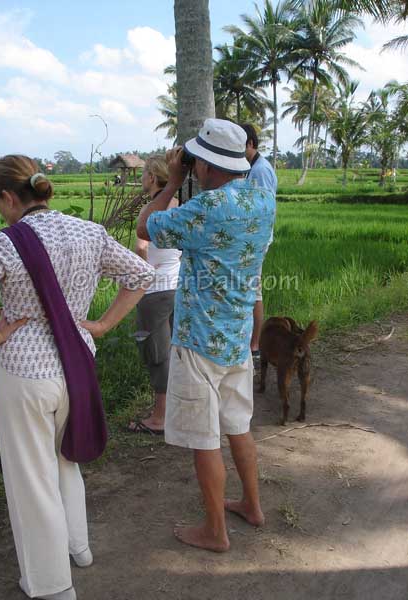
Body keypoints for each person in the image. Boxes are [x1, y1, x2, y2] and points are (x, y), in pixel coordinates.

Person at [0, 155, 154, 600]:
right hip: (76, 367)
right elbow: (142, 273)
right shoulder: (88, 232)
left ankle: (50, 585)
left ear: (8, 197)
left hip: (25, 373)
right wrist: (101, 325)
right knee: (67, 460)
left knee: (32, 477)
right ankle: (77, 546)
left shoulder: (4, 243)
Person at [137, 118, 276, 552]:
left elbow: (146, 226)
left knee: (203, 438)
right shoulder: (262, 199)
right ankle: (252, 506)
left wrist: (172, 178)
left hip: (198, 340)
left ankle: (215, 531)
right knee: (239, 427)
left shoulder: (205, 209)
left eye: (196, 161)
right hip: (236, 337)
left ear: (207, 165)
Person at [129, 156, 181, 434]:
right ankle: (172, 410)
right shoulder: (177, 205)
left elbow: (140, 246)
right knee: (172, 349)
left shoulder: (152, 208)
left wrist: (145, 269)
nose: (141, 179)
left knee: (156, 353)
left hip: (155, 289)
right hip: (175, 286)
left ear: (151, 176)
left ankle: (159, 417)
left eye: (143, 174)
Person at [241, 123, 278, 372]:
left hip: (256, 241)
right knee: (250, 290)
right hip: (250, 240)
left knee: (254, 292)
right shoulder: (251, 168)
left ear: (251, 144)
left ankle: (255, 345)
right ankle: (252, 342)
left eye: (240, 145)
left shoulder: (261, 171)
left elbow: (265, 212)